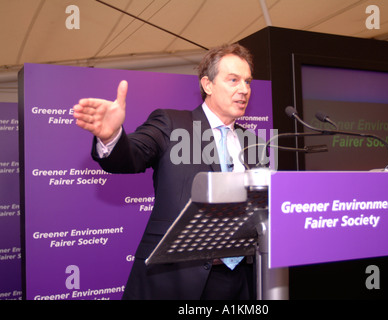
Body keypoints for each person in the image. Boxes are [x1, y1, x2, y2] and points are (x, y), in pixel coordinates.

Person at [72, 43, 265, 300]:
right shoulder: (172, 123)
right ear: (207, 85)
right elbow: (132, 157)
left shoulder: (252, 142)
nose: (244, 90)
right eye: (233, 80)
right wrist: (112, 137)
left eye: (248, 82)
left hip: (242, 278)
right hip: (179, 278)